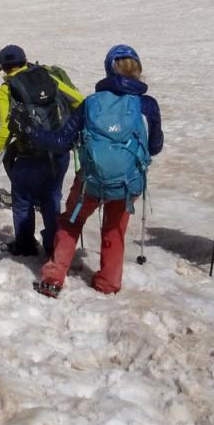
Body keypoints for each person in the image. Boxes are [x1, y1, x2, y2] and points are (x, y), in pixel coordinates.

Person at [29, 44, 163, 297]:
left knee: (72, 221)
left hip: (89, 181)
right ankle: (109, 283)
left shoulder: (91, 103)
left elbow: (61, 142)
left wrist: (30, 131)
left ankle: (54, 277)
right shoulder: (147, 105)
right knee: (115, 228)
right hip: (127, 183)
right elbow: (155, 146)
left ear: (108, 69)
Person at [0, 44, 82, 258]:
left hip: (28, 155)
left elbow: (6, 128)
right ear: (25, 61)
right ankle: (53, 247)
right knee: (52, 198)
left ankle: (25, 244)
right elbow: (78, 100)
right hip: (58, 152)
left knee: (22, 200)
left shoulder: (5, 90)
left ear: (3, 68)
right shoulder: (48, 77)